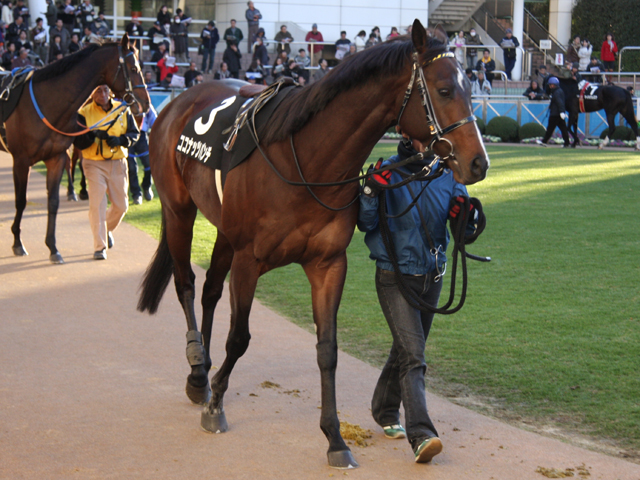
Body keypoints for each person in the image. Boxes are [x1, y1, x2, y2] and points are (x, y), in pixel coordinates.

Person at [357, 131, 483, 465]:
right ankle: (422, 434)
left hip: (433, 277)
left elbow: (464, 232)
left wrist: (466, 216)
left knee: (405, 349)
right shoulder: (388, 171)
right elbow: (365, 223)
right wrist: (370, 191)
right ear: (406, 136)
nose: (430, 143)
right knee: (414, 355)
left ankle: (384, 410)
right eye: (423, 137)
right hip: (394, 278)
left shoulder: (449, 175)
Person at [75, 85, 140, 260]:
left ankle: (106, 229)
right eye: (98, 91)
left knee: (121, 206)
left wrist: (120, 140)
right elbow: (78, 142)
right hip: (93, 164)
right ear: (92, 93)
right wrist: (92, 135)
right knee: (97, 205)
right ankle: (99, 247)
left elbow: (134, 134)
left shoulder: (123, 109)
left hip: (118, 163)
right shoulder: (83, 113)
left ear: (110, 91)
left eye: (105, 90)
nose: (102, 94)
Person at [128, 102, 157, 204]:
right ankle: (136, 194)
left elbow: (154, 121)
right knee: (131, 167)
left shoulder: (145, 103)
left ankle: (146, 186)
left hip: (142, 135)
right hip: (128, 135)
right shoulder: (124, 102)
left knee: (149, 164)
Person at [536, 77, 569, 147]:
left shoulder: (556, 92)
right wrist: (562, 111)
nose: (550, 86)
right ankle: (567, 143)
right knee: (563, 129)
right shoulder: (558, 91)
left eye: (550, 85)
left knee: (550, 129)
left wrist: (561, 111)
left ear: (554, 85)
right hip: (558, 113)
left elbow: (559, 102)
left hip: (555, 114)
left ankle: (544, 141)